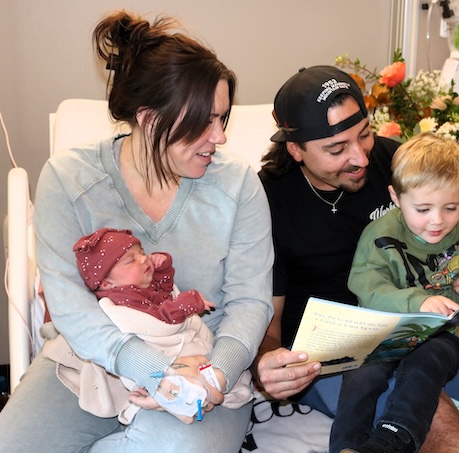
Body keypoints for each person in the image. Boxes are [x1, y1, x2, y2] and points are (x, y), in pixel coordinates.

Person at [0, 11, 273, 453]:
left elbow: (250, 302)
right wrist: (152, 372)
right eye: (205, 121)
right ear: (148, 119)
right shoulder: (69, 181)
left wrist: (213, 374)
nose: (220, 137)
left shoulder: (238, 186)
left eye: (224, 119)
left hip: (202, 363)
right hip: (91, 361)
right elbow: (71, 307)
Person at [254, 65, 459, 453]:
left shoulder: (395, 163)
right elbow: (266, 324)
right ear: (295, 150)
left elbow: (455, 237)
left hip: (422, 333)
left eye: (363, 135)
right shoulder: (267, 203)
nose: (360, 158)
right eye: (336, 149)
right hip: (336, 357)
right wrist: (268, 366)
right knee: (453, 440)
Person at [336, 133, 459, 453]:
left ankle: (393, 440)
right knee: (361, 376)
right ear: (396, 197)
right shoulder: (380, 236)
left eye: (451, 207)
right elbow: (367, 289)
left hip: (442, 335)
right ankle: (346, 447)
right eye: (422, 209)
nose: (437, 221)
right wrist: (420, 301)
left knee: (426, 364)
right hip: (386, 331)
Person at [42, 227, 253, 425]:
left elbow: (162, 291)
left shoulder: (133, 287)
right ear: (107, 284)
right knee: (191, 357)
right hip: (153, 347)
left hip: (166, 341)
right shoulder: (121, 298)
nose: (143, 258)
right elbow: (160, 319)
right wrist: (187, 304)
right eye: (131, 260)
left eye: (142, 252)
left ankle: (197, 387)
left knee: (206, 361)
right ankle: (187, 389)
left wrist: (163, 267)